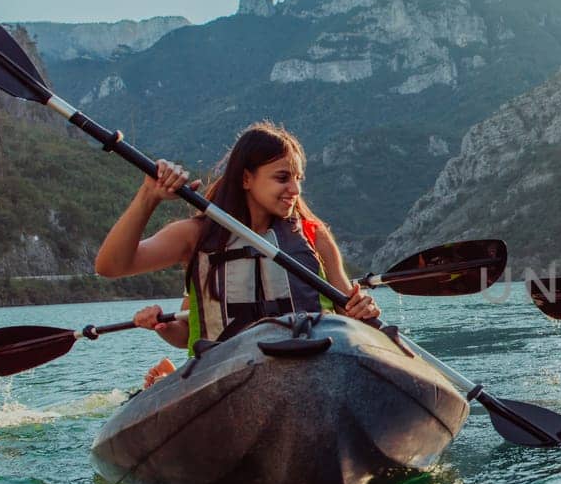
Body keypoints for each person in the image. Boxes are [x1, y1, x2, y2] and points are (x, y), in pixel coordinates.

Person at [95, 122, 379, 383]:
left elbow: (347, 311)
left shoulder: (313, 236)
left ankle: (169, 378)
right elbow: (111, 266)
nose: (295, 188)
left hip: (311, 371)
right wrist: (149, 196)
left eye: (298, 178)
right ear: (246, 179)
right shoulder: (195, 235)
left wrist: (360, 309)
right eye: (282, 178)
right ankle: (170, 381)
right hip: (224, 378)